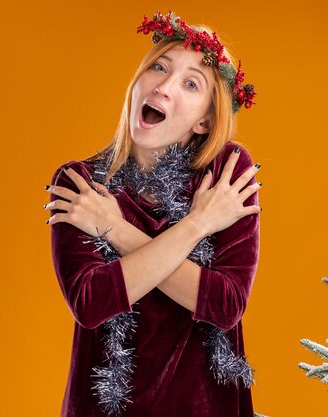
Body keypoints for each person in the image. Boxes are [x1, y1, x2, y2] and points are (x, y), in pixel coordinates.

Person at [43, 11, 261, 417]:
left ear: (205, 120)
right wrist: (200, 224)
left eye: (190, 83)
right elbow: (91, 302)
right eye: (159, 67)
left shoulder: (226, 172)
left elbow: (226, 305)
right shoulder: (81, 184)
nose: (164, 85)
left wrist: (115, 230)